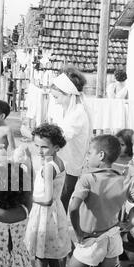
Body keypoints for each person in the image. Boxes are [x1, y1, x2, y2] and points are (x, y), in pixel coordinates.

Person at [34, 135, 130, 267]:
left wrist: (77, 232)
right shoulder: (122, 177)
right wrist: (130, 223)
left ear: (101, 155)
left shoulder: (88, 178)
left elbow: (74, 207)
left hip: (92, 240)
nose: (87, 157)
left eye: (90, 153)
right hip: (112, 238)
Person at [25, 123, 71, 267]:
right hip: (56, 215)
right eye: (37, 146)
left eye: (44, 147)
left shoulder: (48, 168)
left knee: (41, 263)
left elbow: (47, 198)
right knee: (54, 261)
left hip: (44, 216)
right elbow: (61, 193)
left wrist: (27, 199)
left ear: (56, 147)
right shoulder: (60, 163)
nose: (40, 151)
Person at [49, 66, 91, 212]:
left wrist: (34, 136)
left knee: (61, 200)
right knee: (55, 198)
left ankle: (59, 230)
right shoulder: (67, 109)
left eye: (57, 97)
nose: (55, 101)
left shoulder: (77, 113)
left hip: (70, 165)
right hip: (62, 161)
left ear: (68, 94)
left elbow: (61, 137)